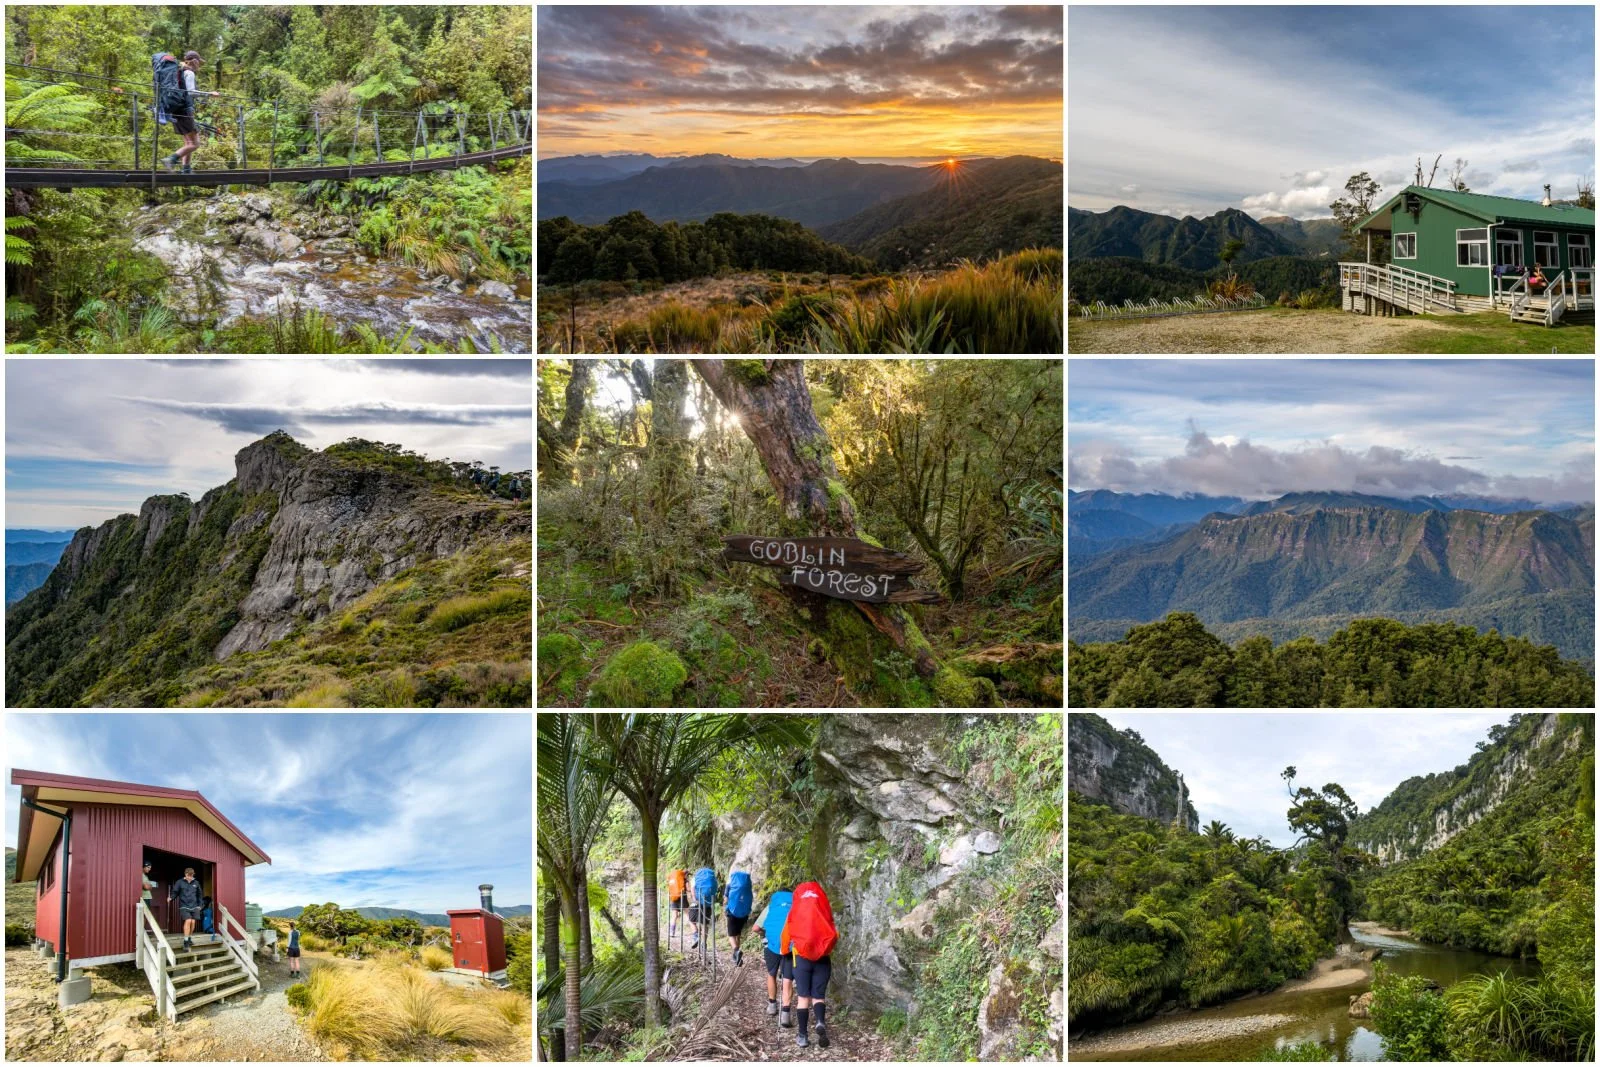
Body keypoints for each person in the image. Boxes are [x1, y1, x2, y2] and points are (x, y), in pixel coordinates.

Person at [781, 881, 838, 1050]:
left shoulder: (796, 912)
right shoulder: (823, 909)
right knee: (818, 996)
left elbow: (786, 935)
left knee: (803, 998)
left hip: (801, 958)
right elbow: (834, 933)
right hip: (823, 958)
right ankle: (820, 1021)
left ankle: (803, 1036)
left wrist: (785, 951)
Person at [162, 51, 220, 174]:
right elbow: (190, 92)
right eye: (199, 61)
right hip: (184, 111)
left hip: (175, 109)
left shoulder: (179, 71)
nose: (200, 64)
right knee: (195, 144)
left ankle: (186, 169)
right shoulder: (189, 73)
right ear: (194, 61)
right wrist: (210, 94)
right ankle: (171, 160)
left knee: (188, 142)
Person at [756, 887, 795, 1026]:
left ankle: (772, 1005)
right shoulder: (797, 904)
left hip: (772, 945)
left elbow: (755, 928)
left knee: (771, 974)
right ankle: (785, 1013)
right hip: (790, 946)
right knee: (787, 978)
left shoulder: (772, 906)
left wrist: (765, 935)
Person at [169, 866, 205, 950]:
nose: (190, 877)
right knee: (188, 920)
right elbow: (175, 892)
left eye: (192, 875)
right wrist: (171, 898)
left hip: (195, 905)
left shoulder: (196, 883)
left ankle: (189, 938)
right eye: (189, 875)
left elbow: (200, 895)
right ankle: (185, 942)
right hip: (184, 905)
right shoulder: (180, 882)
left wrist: (200, 905)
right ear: (185, 874)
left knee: (193, 922)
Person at [725, 869, 753, 967]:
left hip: (732, 912)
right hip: (744, 913)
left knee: (730, 935)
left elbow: (725, 899)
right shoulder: (747, 885)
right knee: (738, 934)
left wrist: (725, 906)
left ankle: (736, 951)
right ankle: (737, 957)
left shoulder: (730, 884)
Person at [691, 865, 718, 951]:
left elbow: (692, 888)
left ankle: (696, 936)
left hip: (698, 901)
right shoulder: (712, 877)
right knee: (705, 924)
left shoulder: (696, 877)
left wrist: (695, 899)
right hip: (708, 903)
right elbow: (715, 888)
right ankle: (704, 944)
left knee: (691, 920)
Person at [666, 868, 689, 939]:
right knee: (688, 913)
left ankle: (671, 932)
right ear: (685, 874)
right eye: (687, 875)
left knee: (674, 916)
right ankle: (695, 931)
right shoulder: (685, 880)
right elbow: (688, 889)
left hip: (674, 897)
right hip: (682, 897)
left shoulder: (674, 879)